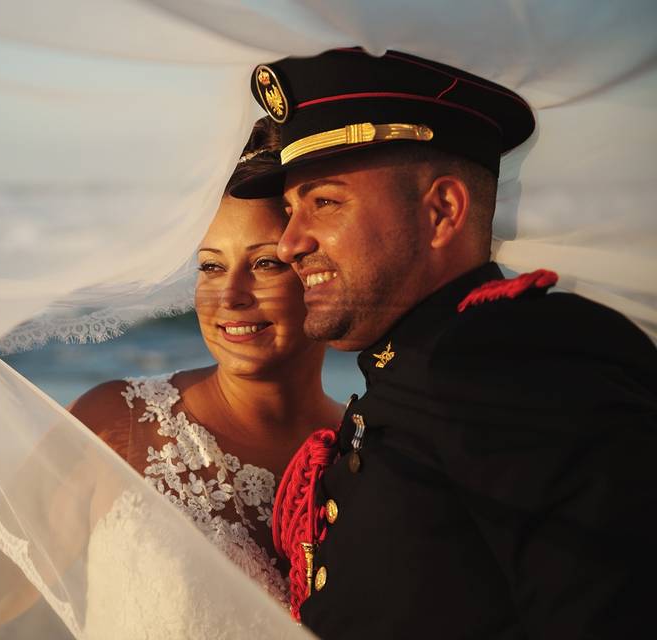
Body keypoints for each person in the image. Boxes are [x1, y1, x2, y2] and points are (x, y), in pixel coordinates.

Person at [231, 48, 657, 638]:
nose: (289, 242)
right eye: (289, 210)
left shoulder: (518, 362)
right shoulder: (420, 371)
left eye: (324, 202)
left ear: (442, 212)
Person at [0, 118, 344, 634]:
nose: (229, 295)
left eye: (265, 265)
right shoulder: (118, 425)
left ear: (316, 272)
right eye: (210, 267)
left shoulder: (368, 451)